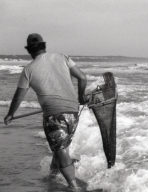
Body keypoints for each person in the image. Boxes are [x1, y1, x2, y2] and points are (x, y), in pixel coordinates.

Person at [4, 33, 87, 190]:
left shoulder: (28, 70)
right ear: (44, 46)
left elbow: (18, 97)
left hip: (54, 116)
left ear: (29, 50)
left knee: (60, 149)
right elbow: (83, 78)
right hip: (73, 113)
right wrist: (81, 97)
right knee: (60, 148)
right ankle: (52, 177)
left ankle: (73, 187)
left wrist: (10, 114)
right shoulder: (63, 57)